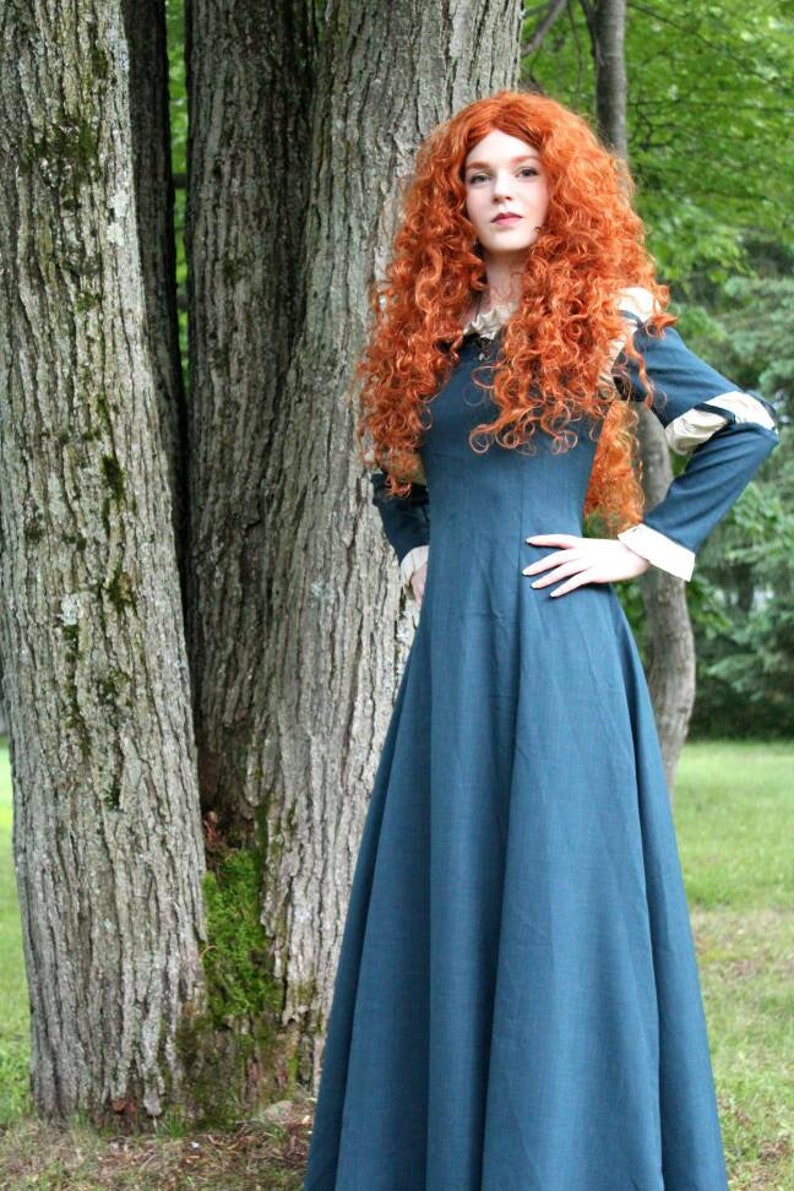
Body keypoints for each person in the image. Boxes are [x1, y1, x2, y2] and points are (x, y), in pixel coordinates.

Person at [303, 91, 777, 1190]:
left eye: (524, 172)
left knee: (558, 895)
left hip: (560, 649)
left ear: (559, 189)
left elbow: (744, 428)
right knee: (449, 885)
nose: (502, 193)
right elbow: (389, 466)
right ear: (455, 202)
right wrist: (417, 549)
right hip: (452, 662)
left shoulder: (602, 321)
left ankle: (564, 1155)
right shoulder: (430, 330)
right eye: (480, 177)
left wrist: (638, 548)